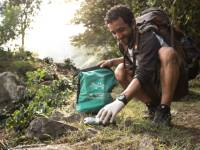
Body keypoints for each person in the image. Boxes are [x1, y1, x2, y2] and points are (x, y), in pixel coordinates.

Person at [96, 5, 188, 126]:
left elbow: (144, 71)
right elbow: (135, 59)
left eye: (121, 30)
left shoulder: (148, 36)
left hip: (172, 82)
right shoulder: (123, 42)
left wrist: (120, 100)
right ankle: (153, 107)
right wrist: (112, 61)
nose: (118, 36)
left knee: (167, 53)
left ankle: (164, 109)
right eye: (114, 32)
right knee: (120, 70)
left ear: (133, 24)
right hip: (150, 83)